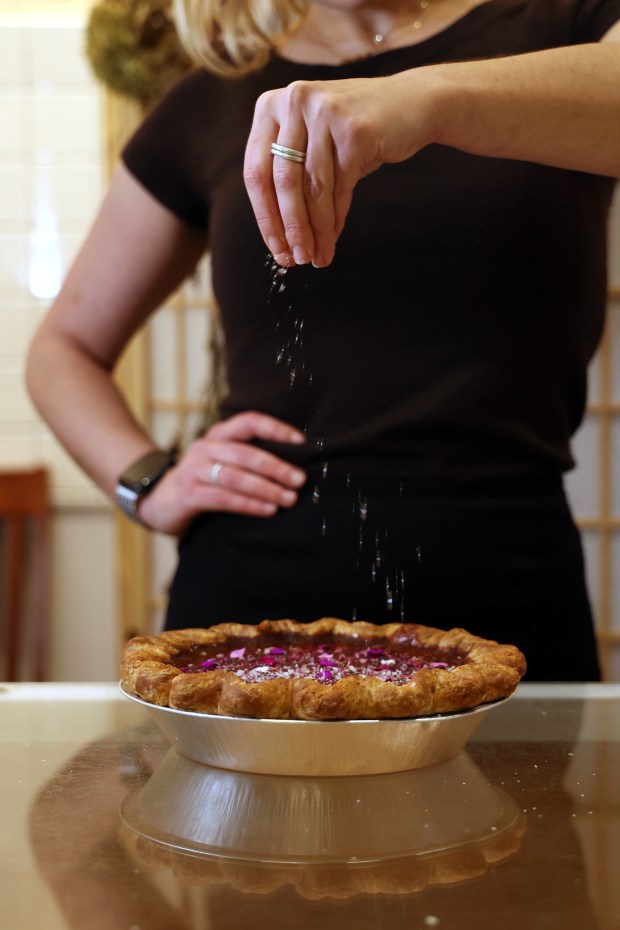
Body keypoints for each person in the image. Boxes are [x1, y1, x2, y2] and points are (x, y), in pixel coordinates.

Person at [26, 0, 620, 681]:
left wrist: (430, 96)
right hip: (251, 599)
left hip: (506, 586)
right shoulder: (211, 99)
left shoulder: (562, 24)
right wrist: (148, 483)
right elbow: (63, 347)